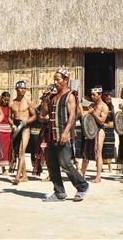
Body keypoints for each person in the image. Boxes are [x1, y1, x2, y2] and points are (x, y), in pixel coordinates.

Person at [40, 68, 89, 202]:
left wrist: (66, 132)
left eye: (58, 79)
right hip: (51, 134)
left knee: (65, 163)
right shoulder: (53, 97)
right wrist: (45, 98)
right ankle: (59, 192)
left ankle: (82, 186)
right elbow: (43, 114)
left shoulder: (70, 96)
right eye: (54, 79)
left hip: (63, 134)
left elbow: (73, 116)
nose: (55, 82)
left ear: (66, 80)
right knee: (51, 164)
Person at [79, 86, 108, 182]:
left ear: (99, 95)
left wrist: (93, 113)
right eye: (91, 94)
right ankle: (82, 174)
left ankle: (98, 176)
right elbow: (84, 116)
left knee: (98, 153)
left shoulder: (104, 106)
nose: (92, 96)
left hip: (99, 130)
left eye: (94, 95)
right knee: (85, 153)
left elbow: (101, 121)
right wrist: (80, 108)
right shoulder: (92, 105)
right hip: (90, 130)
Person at [10, 81, 36, 184]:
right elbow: (9, 117)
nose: (23, 90)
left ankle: (17, 176)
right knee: (18, 152)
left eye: (25, 88)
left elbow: (34, 116)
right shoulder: (12, 103)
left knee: (22, 151)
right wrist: (12, 124)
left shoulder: (28, 102)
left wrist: (27, 121)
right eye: (21, 88)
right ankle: (24, 175)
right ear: (16, 89)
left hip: (25, 127)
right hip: (16, 126)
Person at [0, 91, 13, 173]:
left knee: (6, 150)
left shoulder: (9, 108)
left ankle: (4, 169)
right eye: (5, 99)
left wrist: (13, 125)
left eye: (7, 100)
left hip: (7, 131)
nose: (6, 101)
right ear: (1, 98)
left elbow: (9, 118)